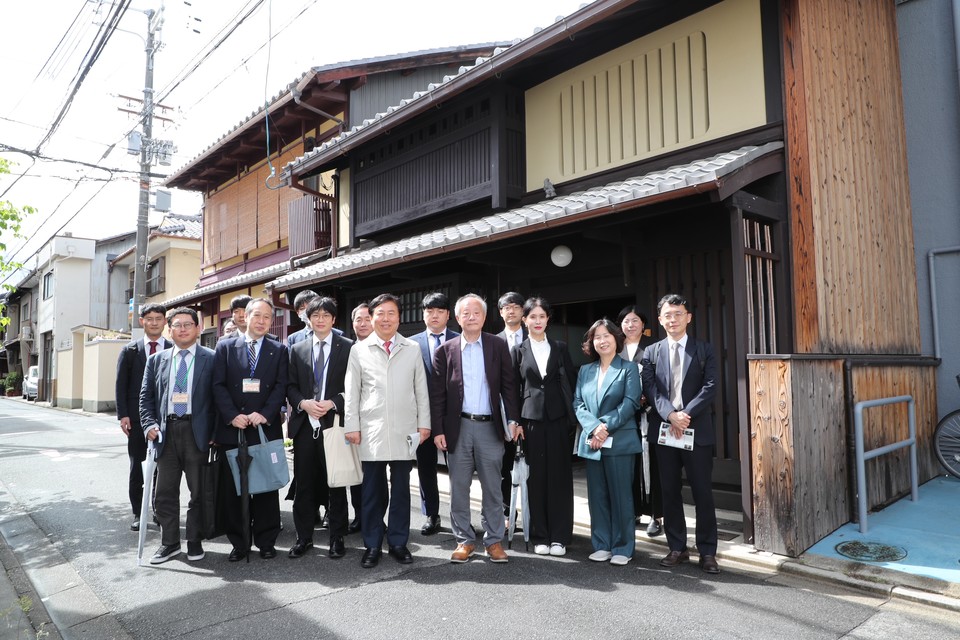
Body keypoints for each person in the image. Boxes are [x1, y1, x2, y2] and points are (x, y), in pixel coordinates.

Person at [432, 293, 521, 564]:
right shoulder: (445, 351)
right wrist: (438, 429)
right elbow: (437, 396)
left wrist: (513, 420)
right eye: (465, 314)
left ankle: (494, 541)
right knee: (458, 486)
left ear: (484, 317)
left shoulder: (497, 345)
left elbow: (509, 386)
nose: (471, 317)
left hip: (489, 427)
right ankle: (464, 540)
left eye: (476, 313)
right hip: (457, 426)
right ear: (457, 318)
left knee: (493, 486)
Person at [344, 294, 431, 568]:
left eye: (391, 313)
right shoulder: (359, 350)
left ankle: (398, 542)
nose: (385, 319)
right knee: (371, 490)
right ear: (371, 318)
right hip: (371, 429)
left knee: (402, 490)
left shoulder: (412, 348)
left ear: (399, 318)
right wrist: (352, 426)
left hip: (404, 429)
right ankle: (372, 544)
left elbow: (421, 389)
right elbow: (352, 392)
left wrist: (424, 423)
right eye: (380, 313)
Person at [640, 293, 720, 575]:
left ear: (688, 317)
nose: (672, 319)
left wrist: (685, 415)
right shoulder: (651, 352)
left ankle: (708, 551)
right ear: (660, 320)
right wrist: (670, 415)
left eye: (678, 314)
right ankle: (677, 547)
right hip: (664, 431)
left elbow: (710, 387)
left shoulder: (704, 349)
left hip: (696, 431)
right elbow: (650, 389)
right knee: (670, 491)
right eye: (667, 315)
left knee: (702, 493)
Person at [212, 297, 290, 561]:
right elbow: (218, 385)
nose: (262, 321)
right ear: (245, 316)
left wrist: (265, 414)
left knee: (266, 486)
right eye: (257, 315)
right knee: (235, 487)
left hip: (263, 427)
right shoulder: (225, 347)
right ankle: (240, 542)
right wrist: (232, 415)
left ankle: (266, 540)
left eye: (267, 317)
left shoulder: (278, 350)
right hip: (233, 428)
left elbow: (281, 386)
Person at [139, 307, 216, 564]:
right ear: (168, 330)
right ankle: (169, 543)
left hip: (198, 433)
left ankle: (194, 540)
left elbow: (219, 400)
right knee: (164, 494)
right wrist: (149, 425)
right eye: (177, 325)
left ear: (198, 328)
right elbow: (146, 398)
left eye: (188, 324)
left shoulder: (211, 358)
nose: (182, 329)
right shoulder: (156, 360)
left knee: (199, 492)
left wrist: (214, 433)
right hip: (166, 433)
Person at [286, 297, 353, 559]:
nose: (320, 319)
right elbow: (289, 386)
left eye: (326, 315)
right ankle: (304, 537)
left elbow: (354, 386)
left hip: (333, 424)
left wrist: (334, 402)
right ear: (308, 319)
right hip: (305, 426)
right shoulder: (297, 349)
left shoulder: (348, 347)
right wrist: (303, 403)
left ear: (334, 319)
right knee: (303, 484)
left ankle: (337, 537)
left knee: (336, 483)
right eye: (315, 315)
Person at [511, 297, 577, 556]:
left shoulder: (560, 348)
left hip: (558, 418)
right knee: (535, 478)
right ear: (524, 319)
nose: (537, 321)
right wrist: (515, 422)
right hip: (530, 422)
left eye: (542, 316)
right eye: (532, 316)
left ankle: (560, 536)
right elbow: (513, 390)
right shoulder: (518, 351)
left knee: (560, 477)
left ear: (548, 319)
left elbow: (570, 381)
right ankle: (540, 534)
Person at [573, 318, 641, 566]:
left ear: (616, 338)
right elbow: (578, 403)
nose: (602, 341)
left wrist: (605, 427)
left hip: (619, 440)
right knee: (597, 495)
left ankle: (623, 546)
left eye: (606, 336)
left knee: (621, 496)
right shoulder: (585, 371)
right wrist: (594, 428)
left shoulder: (628, 368)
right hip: (593, 441)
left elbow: (631, 403)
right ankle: (602, 544)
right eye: (596, 337)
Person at [407, 292, 459, 536]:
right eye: (430, 311)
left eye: (440, 311)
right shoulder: (410, 344)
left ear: (448, 315)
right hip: (422, 417)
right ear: (423, 314)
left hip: (455, 417)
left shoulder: (461, 340)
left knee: (459, 469)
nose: (434, 315)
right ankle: (431, 514)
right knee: (426, 467)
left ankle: (461, 516)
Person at [115, 302, 170, 532]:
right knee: (137, 467)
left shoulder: (172, 347)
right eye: (150, 319)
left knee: (163, 468)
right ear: (142, 321)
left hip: (167, 419)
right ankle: (139, 513)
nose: (154, 322)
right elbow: (121, 385)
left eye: (159, 318)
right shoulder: (130, 351)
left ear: (165, 322)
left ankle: (159, 512)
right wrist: (123, 415)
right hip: (137, 420)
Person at [618, 304, 662, 537]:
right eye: (626, 321)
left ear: (643, 324)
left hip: (651, 412)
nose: (631, 325)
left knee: (654, 464)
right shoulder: (616, 348)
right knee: (630, 464)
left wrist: (647, 396)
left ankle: (657, 515)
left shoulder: (654, 347)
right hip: (626, 415)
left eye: (635, 320)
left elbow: (662, 379)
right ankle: (633, 510)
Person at [495, 291, 527, 522]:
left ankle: (530, 513)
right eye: (507, 307)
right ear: (500, 312)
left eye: (516, 306)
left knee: (531, 466)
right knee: (504, 467)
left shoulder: (534, 337)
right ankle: (507, 513)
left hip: (530, 410)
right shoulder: (493, 341)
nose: (512, 310)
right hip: (502, 413)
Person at [345, 302, 374, 534]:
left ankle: (375, 517)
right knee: (355, 472)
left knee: (375, 475)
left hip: (377, 424)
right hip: (353, 422)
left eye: (367, 318)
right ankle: (359, 514)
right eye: (358, 319)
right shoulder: (347, 349)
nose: (363, 324)